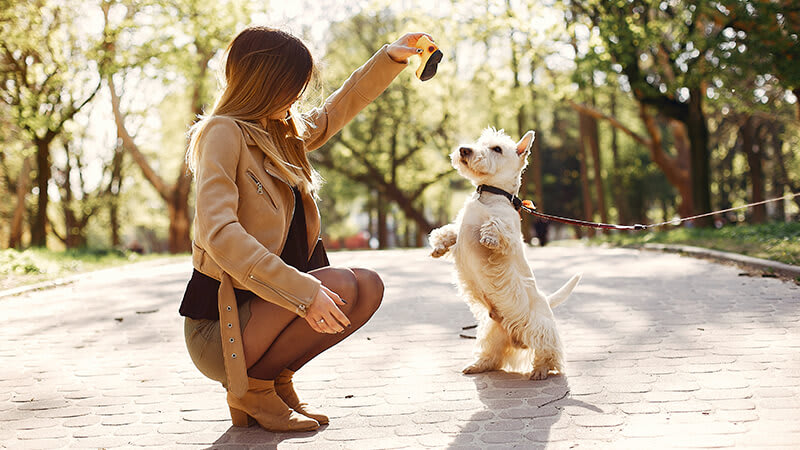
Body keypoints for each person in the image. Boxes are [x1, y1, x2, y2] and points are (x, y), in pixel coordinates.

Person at [178, 26, 431, 432]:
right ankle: (251, 388)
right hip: (221, 330)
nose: (297, 96)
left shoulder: (278, 132)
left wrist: (392, 58)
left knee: (367, 288)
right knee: (341, 286)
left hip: (264, 319)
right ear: (264, 83)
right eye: (291, 85)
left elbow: (334, 111)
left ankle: (275, 382)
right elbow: (219, 232)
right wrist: (304, 293)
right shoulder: (222, 132)